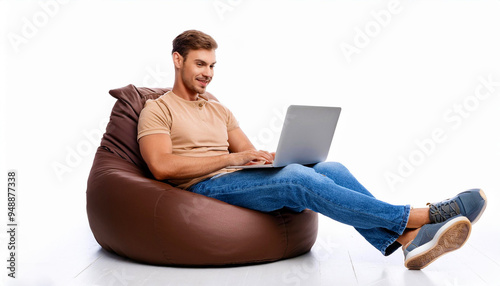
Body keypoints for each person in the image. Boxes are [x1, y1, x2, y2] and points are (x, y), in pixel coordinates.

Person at [137, 30, 487, 270]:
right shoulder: (158, 108)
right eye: (200, 64)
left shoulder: (218, 109)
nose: (208, 74)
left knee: (328, 168)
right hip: (202, 186)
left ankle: (409, 241)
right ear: (177, 60)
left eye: (212, 66)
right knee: (295, 179)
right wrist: (234, 158)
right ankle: (423, 216)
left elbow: (249, 152)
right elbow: (161, 167)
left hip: (237, 178)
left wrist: (269, 157)